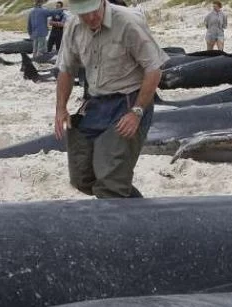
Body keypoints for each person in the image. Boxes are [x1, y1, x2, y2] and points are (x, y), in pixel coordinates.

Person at [54, 0, 167, 198]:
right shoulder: (73, 26)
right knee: (81, 176)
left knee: (111, 182)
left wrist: (137, 112)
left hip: (129, 102)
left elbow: (154, 69)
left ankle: (128, 219)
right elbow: (66, 70)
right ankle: (137, 208)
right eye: (83, 14)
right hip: (96, 103)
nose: (89, 18)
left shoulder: (127, 22)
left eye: (93, 11)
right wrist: (60, 108)